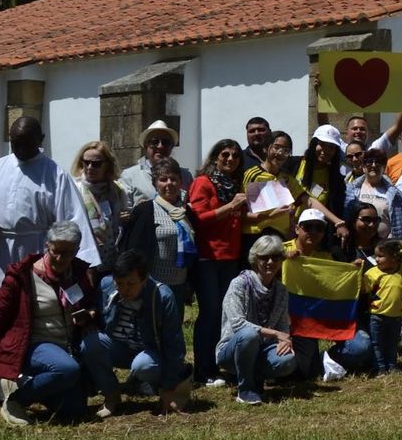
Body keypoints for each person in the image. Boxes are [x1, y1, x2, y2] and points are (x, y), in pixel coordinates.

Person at [0, 221, 105, 425]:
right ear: (46, 246)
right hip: (32, 345)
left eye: (67, 253)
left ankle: (31, 382)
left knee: (75, 408)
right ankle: (15, 400)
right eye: (56, 251)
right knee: (68, 370)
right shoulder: (21, 276)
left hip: (67, 347)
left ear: (77, 250)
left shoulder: (78, 273)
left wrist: (90, 314)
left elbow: (90, 304)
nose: (60, 258)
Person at [0, 118, 100, 318]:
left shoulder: (56, 175)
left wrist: (85, 262)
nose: (20, 148)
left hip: (35, 253)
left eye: (27, 142)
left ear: (41, 139)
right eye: (15, 142)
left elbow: (73, 221)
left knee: (29, 310)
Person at [93, 250, 189, 415]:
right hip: (119, 347)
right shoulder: (106, 286)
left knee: (143, 365)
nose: (125, 289)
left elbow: (174, 344)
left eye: (131, 284)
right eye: (120, 283)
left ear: (144, 280)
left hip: (149, 353)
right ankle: (111, 394)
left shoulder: (162, 296)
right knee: (91, 343)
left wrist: (169, 387)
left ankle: (154, 384)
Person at [188, 138, 248, 386]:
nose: (230, 159)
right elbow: (199, 217)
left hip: (230, 257)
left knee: (225, 314)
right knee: (210, 313)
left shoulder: (235, 185)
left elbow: (241, 216)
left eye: (235, 156)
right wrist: (231, 205)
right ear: (215, 157)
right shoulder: (203, 183)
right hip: (208, 258)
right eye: (225, 154)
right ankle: (203, 369)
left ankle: (220, 363)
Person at [217, 234, 296, 404]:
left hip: (262, 348)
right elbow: (238, 324)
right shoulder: (239, 284)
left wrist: (285, 341)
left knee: (287, 360)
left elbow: (283, 327)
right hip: (232, 349)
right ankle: (245, 389)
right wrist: (275, 334)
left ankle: (255, 378)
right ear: (255, 259)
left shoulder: (281, 290)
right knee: (248, 335)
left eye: (275, 257)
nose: (270, 262)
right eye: (264, 257)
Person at [118, 157, 198, 308]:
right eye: (163, 179)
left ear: (180, 182)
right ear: (155, 184)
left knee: (174, 328)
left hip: (179, 284)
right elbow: (134, 248)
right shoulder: (145, 210)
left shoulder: (187, 213)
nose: (169, 183)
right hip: (152, 285)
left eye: (173, 179)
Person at [364, 239, 402, 375]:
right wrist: (355, 272)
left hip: (396, 317)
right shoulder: (372, 273)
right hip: (377, 316)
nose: (377, 260)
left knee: (392, 344)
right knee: (377, 344)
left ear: (393, 258)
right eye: (376, 256)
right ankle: (380, 369)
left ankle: (392, 367)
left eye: (380, 256)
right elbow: (362, 289)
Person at [71, 141, 130, 276]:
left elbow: (122, 221)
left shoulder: (118, 190)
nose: (90, 167)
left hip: (112, 261)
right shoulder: (75, 189)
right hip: (84, 262)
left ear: (107, 165)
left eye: (96, 164)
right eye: (86, 162)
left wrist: (125, 218)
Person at [241, 130, 301, 251]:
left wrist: (292, 225)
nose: (280, 153)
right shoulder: (252, 174)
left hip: (281, 238)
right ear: (265, 148)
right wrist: (269, 216)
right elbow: (241, 213)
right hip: (256, 237)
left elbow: (306, 200)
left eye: (286, 150)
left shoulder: (287, 178)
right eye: (276, 147)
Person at [347, 148, 402, 244]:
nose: (374, 165)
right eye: (369, 162)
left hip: (386, 248)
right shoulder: (350, 190)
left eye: (379, 162)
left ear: (384, 167)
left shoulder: (397, 195)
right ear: (363, 166)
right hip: (357, 245)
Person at [295, 125, 352, 235]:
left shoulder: (336, 180)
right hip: (289, 230)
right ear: (314, 144)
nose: (325, 150)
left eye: (331, 147)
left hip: (314, 233)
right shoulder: (294, 164)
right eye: (322, 144)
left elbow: (336, 209)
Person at [120, 121, 194, 204]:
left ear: (172, 146)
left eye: (165, 142)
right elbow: (125, 213)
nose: (160, 146)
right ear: (145, 146)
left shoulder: (186, 176)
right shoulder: (130, 176)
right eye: (154, 142)